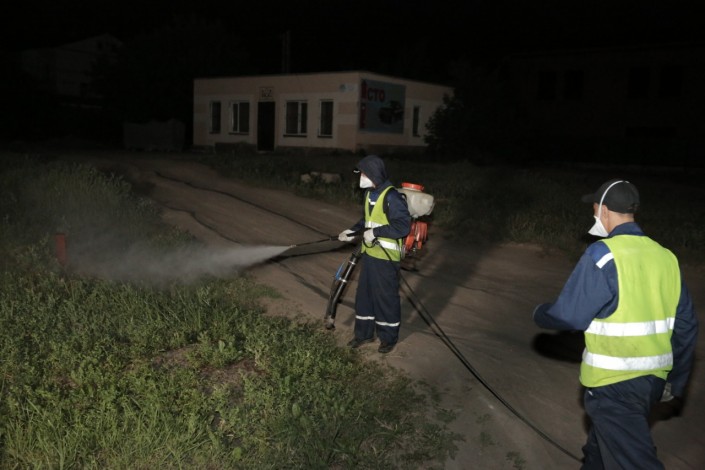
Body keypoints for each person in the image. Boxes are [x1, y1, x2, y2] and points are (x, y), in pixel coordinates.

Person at [533, 179, 698, 469]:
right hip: (651, 383)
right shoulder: (666, 258)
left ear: (604, 210)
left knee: (633, 461)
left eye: (594, 208)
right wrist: (675, 381)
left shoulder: (603, 254)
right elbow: (686, 326)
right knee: (599, 454)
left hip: (614, 386)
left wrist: (541, 313)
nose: (594, 214)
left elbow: (569, 315)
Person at [338, 154, 411, 353]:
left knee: (385, 298)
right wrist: (352, 231)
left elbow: (403, 226)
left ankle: (388, 338)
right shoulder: (369, 194)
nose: (360, 177)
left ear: (373, 174)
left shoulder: (392, 197)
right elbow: (366, 221)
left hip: (386, 258)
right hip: (370, 254)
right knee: (364, 296)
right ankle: (363, 334)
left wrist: (375, 233)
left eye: (363, 174)